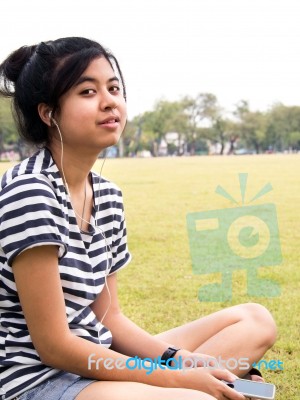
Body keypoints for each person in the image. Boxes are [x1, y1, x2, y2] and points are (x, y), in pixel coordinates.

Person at [0, 37, 276, 400]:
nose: (110, 101)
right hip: (39, 378)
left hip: (99, 356)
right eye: (87, 91)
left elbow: (109, 319)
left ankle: (212, 384)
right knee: (192, 396)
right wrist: (173, 380)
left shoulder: (108, 195)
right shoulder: (30, 192)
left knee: (255, 321)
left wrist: (178, 361)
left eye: (114, 88)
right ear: (49, 113)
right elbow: (53, 346)